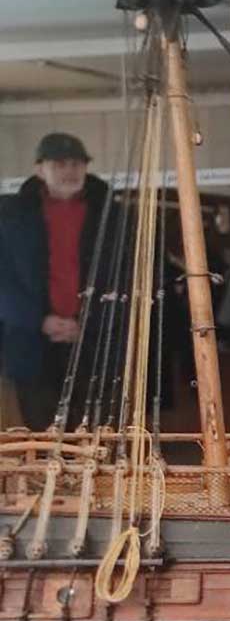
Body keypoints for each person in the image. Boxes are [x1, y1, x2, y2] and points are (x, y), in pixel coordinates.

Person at [0, 133, 116, 430]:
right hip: (33, 342)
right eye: (59, 164)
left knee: (96, 432)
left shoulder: (113, 216)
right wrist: (39, 320)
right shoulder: (9, 216)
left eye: (76, 164)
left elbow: (123, 277)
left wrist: (88, 323)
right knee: (42, 430)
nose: (69, 171)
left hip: (95, 342)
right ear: (40, 170)